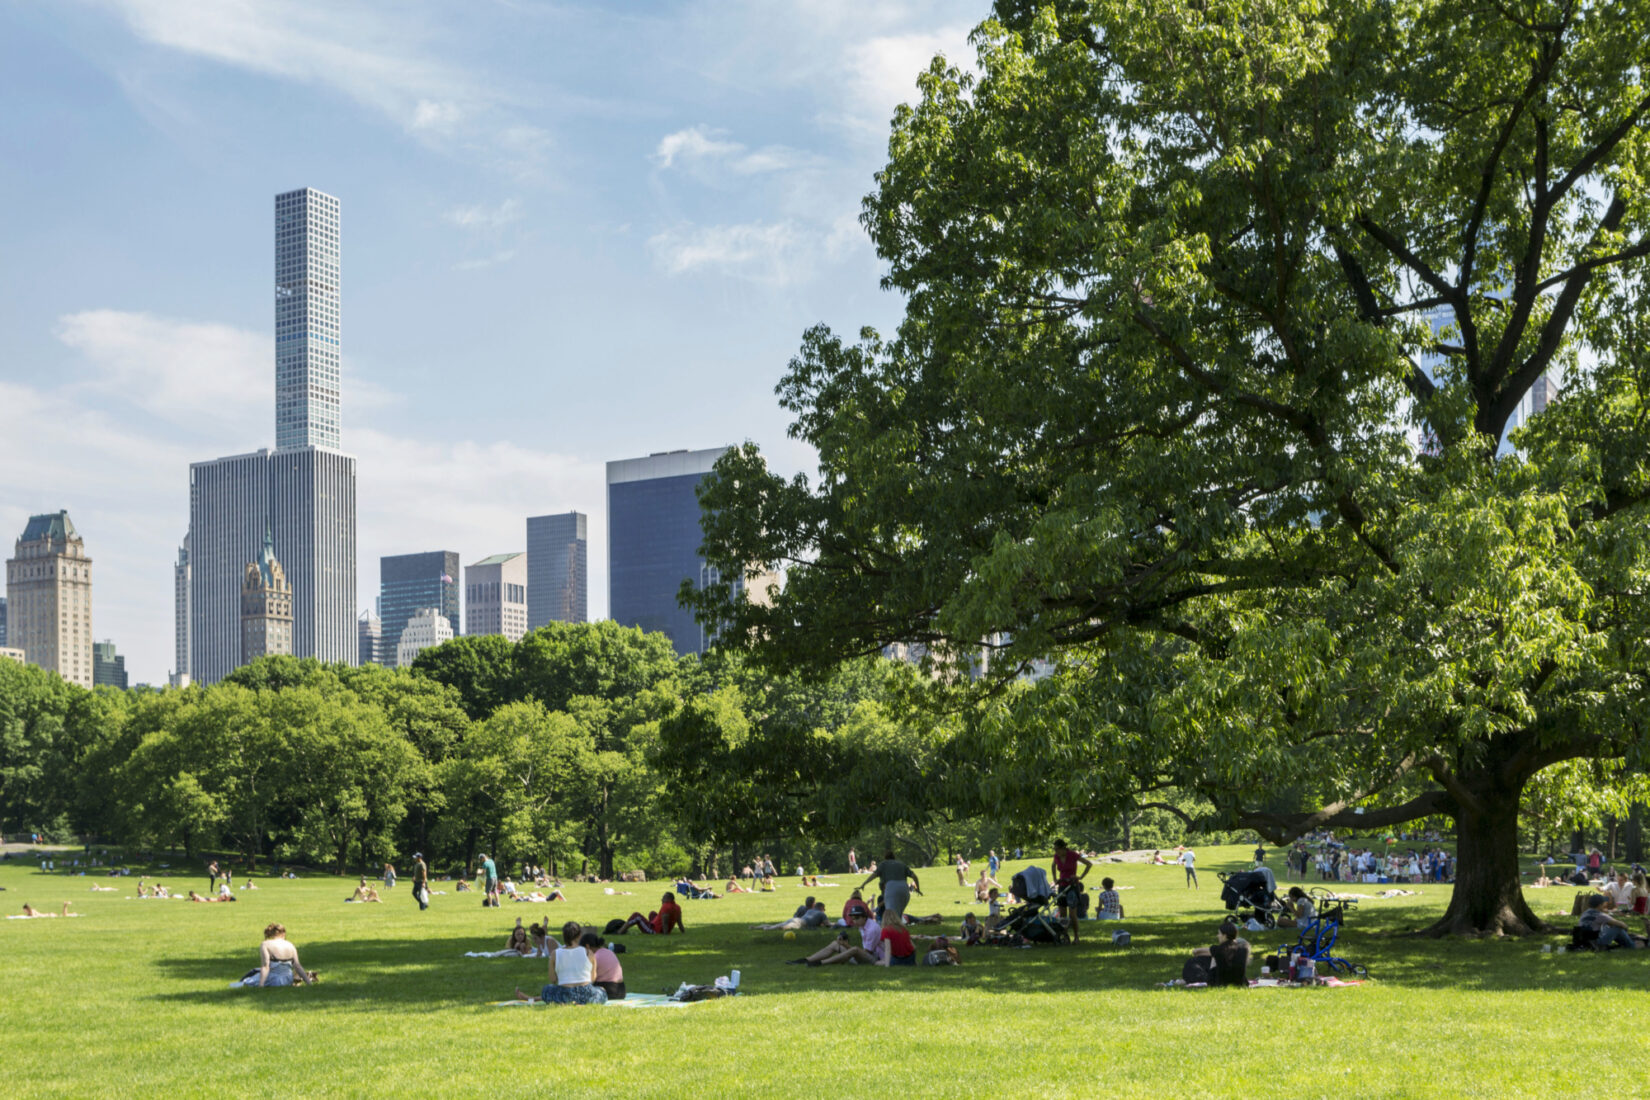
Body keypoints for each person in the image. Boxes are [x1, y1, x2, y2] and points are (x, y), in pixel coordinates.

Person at [516, 921, 608, 1005]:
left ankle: (565, 1002)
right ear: (579, 935)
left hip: (564, 993)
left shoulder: (555, 954)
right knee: (601, 991)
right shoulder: (589, 953)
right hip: (586, 993)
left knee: (547, 989)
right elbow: (592, 978)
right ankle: (580, 1003)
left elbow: (552, 979)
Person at [796, 909, 883, 966]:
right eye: (853, 919)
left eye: (857, 918)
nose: (855, 921)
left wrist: (847, 946)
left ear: (864, 917)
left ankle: (821, 963)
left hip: (874, 959)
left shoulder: (871, 929)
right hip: (866, 956)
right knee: (835, 944)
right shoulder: (862, 925)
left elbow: (867, 953)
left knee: (855, 949)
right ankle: (807, 960)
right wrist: (845, 945)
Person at [859, 849, 920, 926]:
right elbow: (914, 876)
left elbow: (874, 875)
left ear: (885, 857)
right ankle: (900, 933)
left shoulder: (883, 864)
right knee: (898, 915)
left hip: (891, 888)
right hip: (904, 888)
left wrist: (864, 884)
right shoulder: (901, 864)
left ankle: (891, 934)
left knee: (891, 916)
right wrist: (918, 888)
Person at [1050, 839, 1093, 940]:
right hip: (1062, 886)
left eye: (1057, 849)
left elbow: (1088, 864)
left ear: (1063, 848)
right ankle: (1064, 936)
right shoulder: (1056, 857)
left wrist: (1080, 877)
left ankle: (1076, 937)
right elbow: (1053, 866)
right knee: (1062, 914)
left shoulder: (1072, 855)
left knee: (1072, 914)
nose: (1056, 852)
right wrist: (1055, 879)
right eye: (1054, 849)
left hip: (1072, 886)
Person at [582, 931, 626, 999]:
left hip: (608, 991)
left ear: (587, 946)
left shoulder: (594, 957)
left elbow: (589, 979)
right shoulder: (609, 952)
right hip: (621, 991)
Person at [1209, 920, 1251, 986]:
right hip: (1239, 982)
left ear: (1225, 936)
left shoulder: (1218, 949)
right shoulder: (1244, 949)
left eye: (1219, 933)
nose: (1217, 936)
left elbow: (1213, 972)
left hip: (1222, 983)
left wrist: (1213, 955)